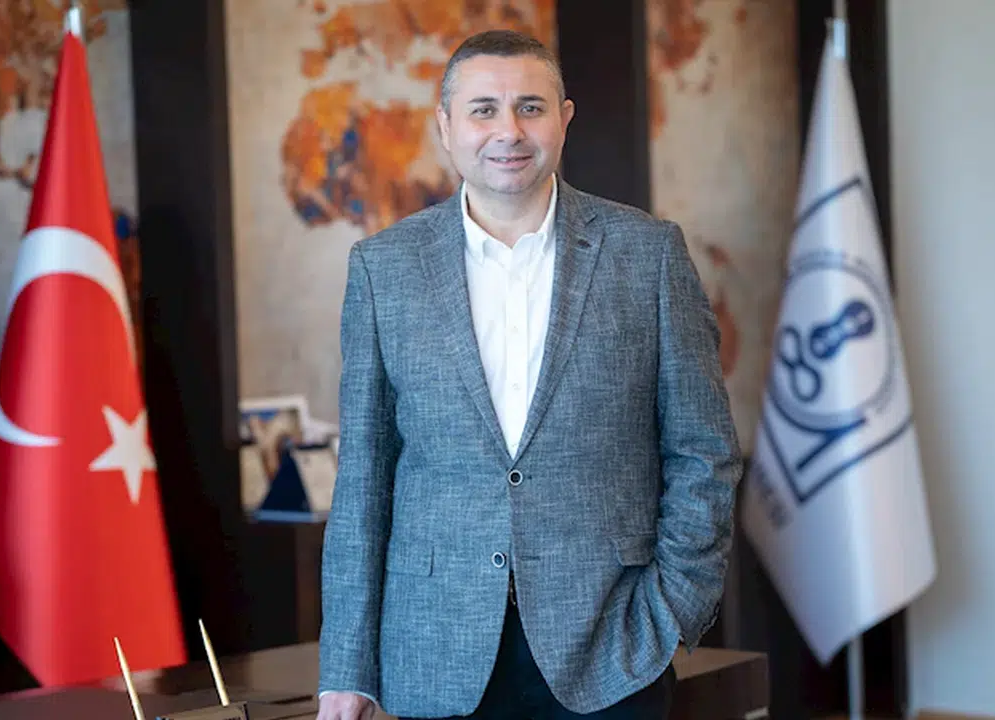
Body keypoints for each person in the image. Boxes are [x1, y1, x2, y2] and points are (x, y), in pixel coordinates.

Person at [316, 29, 742, 720]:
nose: (508, 131)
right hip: (435, 651)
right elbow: (363, 476)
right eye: (483, 109)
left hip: (611, 651)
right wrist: (347, 666)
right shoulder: (383, 269)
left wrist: (674, 609)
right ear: (445, 126)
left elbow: (703, 449)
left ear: (564, 120)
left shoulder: (648, 255)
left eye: (531, 107)